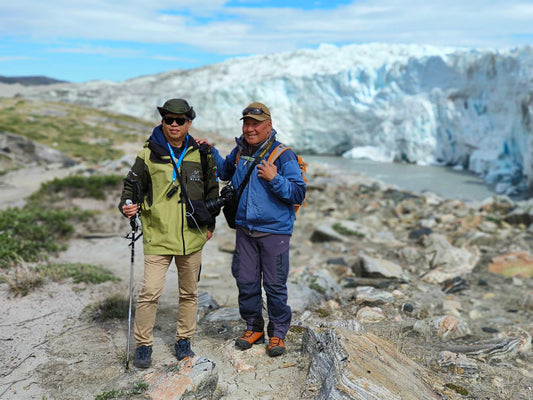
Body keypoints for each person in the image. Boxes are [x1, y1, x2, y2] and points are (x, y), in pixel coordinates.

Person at [118, 98, 219, 368]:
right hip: (158, 233)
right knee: (150, 291)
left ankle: (184, 339)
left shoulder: (202, 154)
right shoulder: (149, 153)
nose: (174, 124)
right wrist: (127, 206)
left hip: (192, 234)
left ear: (189, 122)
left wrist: (210, 225)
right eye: (169, 120)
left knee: (189, 292)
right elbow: (131, 187)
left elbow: (212, 191)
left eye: (180, 120)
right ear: (162, 121)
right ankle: (143, 344)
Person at [201, 101, 306, 357]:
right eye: (247, 123)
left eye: (256, 124)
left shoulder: (283, 156)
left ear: (268, 125)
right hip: (245, 230)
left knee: (275, 286)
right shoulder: (240, 151)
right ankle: (253, 327)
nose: (250, 129)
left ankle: (278, 334)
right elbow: (225, 171)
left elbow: (298, 192)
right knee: (246, 282)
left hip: (275, 233)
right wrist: (211, 151)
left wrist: (275, 178)